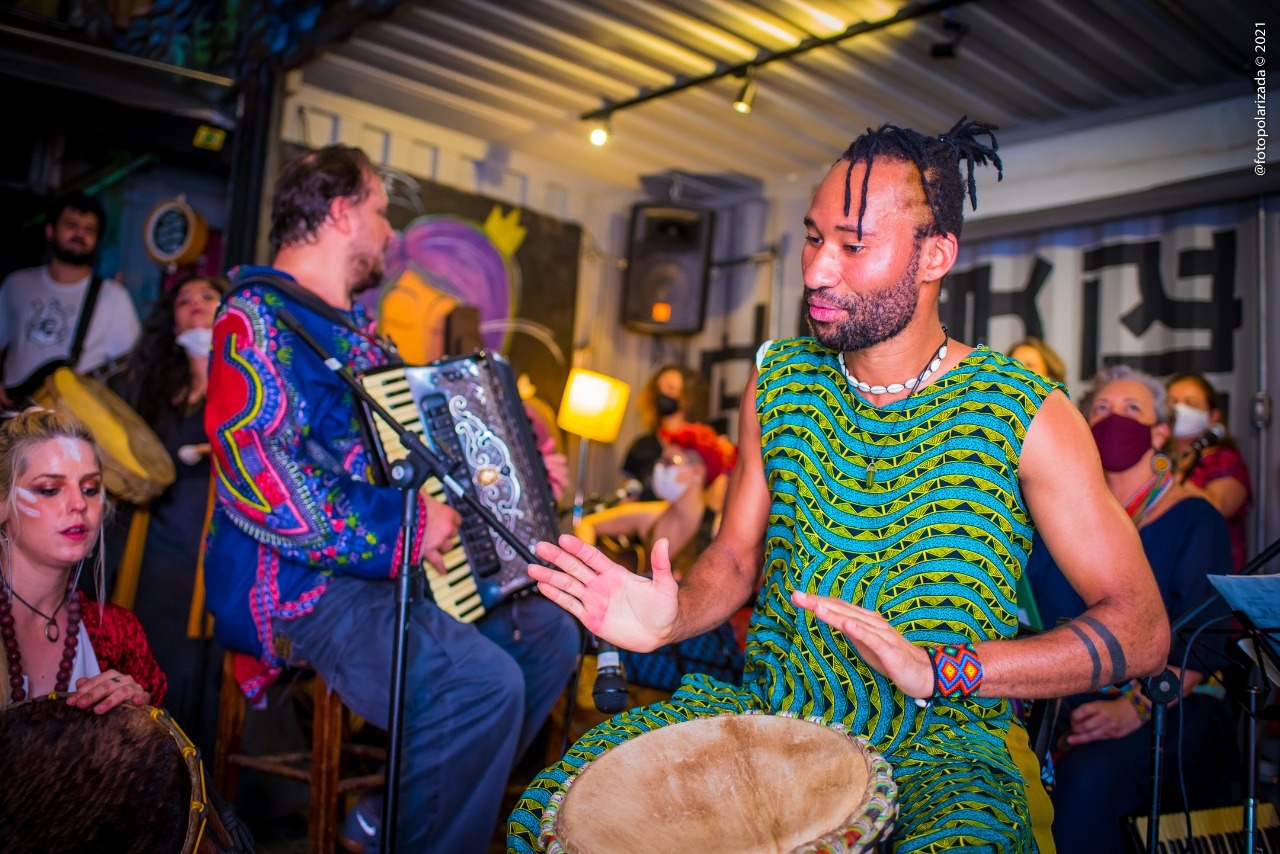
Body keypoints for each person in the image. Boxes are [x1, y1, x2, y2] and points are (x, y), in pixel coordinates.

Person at [512, 119, 1171, 853]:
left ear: (936, 256)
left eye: (854, 245)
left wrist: (939, 669)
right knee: (564, 817)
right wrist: (671, 617)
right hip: (769, 720)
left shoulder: (1025, 412)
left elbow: (1142, 631)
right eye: (813, 237)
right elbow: (735, 556)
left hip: (939, 752)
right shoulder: (778, 384)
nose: (818, 269)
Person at [202, 144, 580, 852]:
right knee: (481, 685)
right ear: (342, 213)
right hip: (302, 586)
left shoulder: (360, 339)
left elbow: (430, 452)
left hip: (391, 580)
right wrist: (402, 526)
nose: (388, 234)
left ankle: (395, 813)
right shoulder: (256, 321)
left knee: (551, 638)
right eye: (380, 212)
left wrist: (517, 476)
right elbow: (261, 478)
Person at [1026, 366, 1236, 853]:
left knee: (1087, 778)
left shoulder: (1195, 518)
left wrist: (1134, 709)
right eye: (1101, 408)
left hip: (1168, 704)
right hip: (1065, 699)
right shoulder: (1058, 518)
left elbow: (1202, 638)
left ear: (1161, 432)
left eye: (1132, 410)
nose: (1114, 419)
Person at [109, 274, 228, 756]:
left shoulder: (247, 384)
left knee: (208, 666)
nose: (196, 305)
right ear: (170, 318)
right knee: (155, 651)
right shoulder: (149, 387)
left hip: (217, 538)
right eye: (184, 300)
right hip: (155, 537)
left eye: (208, 297)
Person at [0, 407, 166, 712]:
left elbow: (168, 755)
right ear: (3, 505)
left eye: (90, 489)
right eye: (50, 490)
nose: (79, 504)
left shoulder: (120, 635)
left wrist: (138, 723)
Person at [0, 191, 141, 407]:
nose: (79, 234)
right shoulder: (16, 284)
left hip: (71, 420)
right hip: (10, 406)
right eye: (71, 225)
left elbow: (132, 368)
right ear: (50, 230)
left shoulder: (113, 298)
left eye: (89, 230)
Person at [1165, 371, 1253, 573]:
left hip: (1209, 572)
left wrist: (1166, 474)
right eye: (1172, 402)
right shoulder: (1154, 457)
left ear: (1213, 416)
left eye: (1191, 403)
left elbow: (1219, 507)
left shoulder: (1224, 460)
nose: (1179, 409)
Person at [621, 363, 707, 501]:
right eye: (658, 389)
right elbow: (628, 494)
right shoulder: (641, 446)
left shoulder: (702, 443)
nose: (663, 394)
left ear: (688, 396)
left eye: (671, 388)